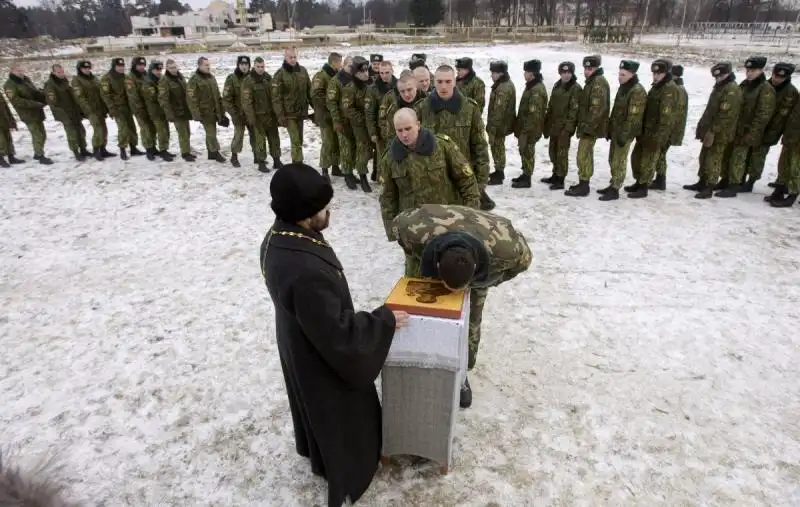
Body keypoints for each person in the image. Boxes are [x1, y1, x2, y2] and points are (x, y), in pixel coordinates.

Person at [260, 163, 408, 507]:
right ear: (304, 214)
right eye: (323, 208)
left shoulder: (278, 236)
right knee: (338, 413)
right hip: (318, 353)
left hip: (299, 337)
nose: (329, 212)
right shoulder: (304, 270)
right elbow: (340, 337)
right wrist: (383, 321)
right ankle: (347, 469)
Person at [390, 203, 532, 408]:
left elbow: (524, 262)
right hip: (431, 238)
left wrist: (489, 280)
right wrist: (418, 262)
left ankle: (461, 375)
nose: (452, 294)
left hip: (485, 252)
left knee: (470, 322)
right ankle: (414, 359)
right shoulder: (413, 229)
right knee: (414, 305)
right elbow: (397, 227)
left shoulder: (506, 247)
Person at [379, 107, 480, 242]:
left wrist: (470, 217)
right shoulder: (390, 159)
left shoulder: (442, 147)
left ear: (418, 125)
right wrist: (393, 231)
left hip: (448, 224)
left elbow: (466, 181)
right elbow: (387, 198)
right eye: (399, 130)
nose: (404, 135)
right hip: (414, 230)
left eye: (408, 129)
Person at [684, 62, 742, 199]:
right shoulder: (720, 87)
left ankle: (710, 186)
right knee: (704, 156)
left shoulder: (731, 90)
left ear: (727, 74)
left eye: (721, 76)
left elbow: (725, 115)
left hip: (720, 132)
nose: (718, 78)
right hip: (710, 130)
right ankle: (702, 181)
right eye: (716, 76)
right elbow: (711, 110)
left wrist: (713, 131)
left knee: (713, 159)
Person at [627, 59, 680, 197]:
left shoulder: (669, 89)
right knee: (637, 157)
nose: (655, 76)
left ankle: (643, 187)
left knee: (648, 160)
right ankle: (639, 182)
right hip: (646, 131)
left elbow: (666, 118)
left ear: (666, 73)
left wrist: (659, 137)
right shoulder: (657, 87)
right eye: (654, 73)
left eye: (659, 73)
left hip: (656, 133)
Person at [597, 59, 646, 201]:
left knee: (619, 160)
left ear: (632, 74)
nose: (620, 77)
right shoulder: (624, 88)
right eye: (619, 74)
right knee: (613, 158)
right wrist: (610, 128)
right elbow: (616, 111)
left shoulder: (636, 91)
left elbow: (633, 117)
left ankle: (615, 189)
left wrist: (624, 135)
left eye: (623, 75)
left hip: (625, 133)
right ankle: (613, 183)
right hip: (617, 131)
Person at [569, 54, 610, 197]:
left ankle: (584, 185)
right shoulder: (592, 81)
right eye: (585, 68)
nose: (587, 71)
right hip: (588, 126)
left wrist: (587, 127)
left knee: (583, 155)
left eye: (590, 68)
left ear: (596, 68)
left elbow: (596, 110)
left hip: (591, 128)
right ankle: (583, 182)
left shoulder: (598, 83)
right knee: (585, 155)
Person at [541, 61, 581, 190]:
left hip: (564, 128)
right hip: (554, 126)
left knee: (562, 154)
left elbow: (574, 111)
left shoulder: (575, 88)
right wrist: (546, 124)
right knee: (553, 152)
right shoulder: (557, 86)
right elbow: (551, 106)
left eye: (569, 72)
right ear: (560, 73)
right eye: (564, 73)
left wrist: (568, 129)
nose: (566, 75)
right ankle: (555, 174)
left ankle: (560, 179)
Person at [4, 62, 52, 164]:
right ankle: (40, 155)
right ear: (12, 71)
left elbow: (34, 92)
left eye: (22, 70)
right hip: (27, 113)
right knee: (37, 134)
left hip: (37, 111)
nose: (21, 72)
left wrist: (44, 97)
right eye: (18, 71)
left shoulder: (26, 80)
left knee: (42, 134)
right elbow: (17, 101)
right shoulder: (9, 85)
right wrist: (35, 104)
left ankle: (37, 153)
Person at [272, 47, 312, 164]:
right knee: (295, 140)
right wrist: (280, 115)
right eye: (290, 57)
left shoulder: (303, 71)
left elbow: (309, 91)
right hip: (288, 114)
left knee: (299, 139)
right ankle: (297, 163)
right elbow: (276, 98)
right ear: (285, 58)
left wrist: (316, 109)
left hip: (301, 112)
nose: (293, 60)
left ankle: (297, 160)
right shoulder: (280, 74)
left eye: (295, 57)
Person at [45, 63, 91, 161]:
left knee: (81, 131)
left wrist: (80, 110)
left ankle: (83, 149)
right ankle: (76, 152)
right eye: (58, 72)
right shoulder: (50, 85)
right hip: (64, 113)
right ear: (53, 73)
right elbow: (53, 103)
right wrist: (62, 116)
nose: (61, 74)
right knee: (72, 134)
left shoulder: (64, 81)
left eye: (62, 71)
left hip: (74, 111)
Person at [187, 56, 229, 163]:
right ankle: (215, 152)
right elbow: (191, 99)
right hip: (204, 112)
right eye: (206, 65)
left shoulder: (211, 78)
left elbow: (217, 95)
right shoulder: (194, 80)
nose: (208, 67)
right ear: (200, 65)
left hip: (214, 111)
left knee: (211, 132)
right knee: (211, 133)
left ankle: (211, 153)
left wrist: (222, 111)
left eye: (209, 65)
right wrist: (196, 114)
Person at [71, 60, 114, 161]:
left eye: (88, 68)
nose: (87, 70)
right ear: (80, 69)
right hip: (91, 110)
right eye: (84, 68)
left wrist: (106, 107)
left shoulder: (94, 78)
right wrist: (88, 110)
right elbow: (80, 97)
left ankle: (103, 149)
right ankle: (96, 150)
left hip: (100, 109)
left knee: (104, 130)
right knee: (98, 129)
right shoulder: (77, 80)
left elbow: (101, 92)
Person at [100, 57, 141, 160]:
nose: (121, 68)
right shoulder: (107, 78)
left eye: (123, 66)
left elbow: (131, 92)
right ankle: (122, 149)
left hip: (128, 107)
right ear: (114, 67)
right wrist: (112, 109)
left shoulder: (126, 77)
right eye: (119, 66)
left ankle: (133, 148)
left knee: (132, 128)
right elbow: (106, 96)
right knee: (123, 129)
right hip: (117, 108)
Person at [312, 52, 343, 179]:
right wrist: (332, 102)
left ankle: (335, 167)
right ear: (334, 62)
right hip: (324, 116)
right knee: (328, 143)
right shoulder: (321, 76)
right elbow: (316, 95)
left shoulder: (337, 76)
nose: (341, 65)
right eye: (340, 62)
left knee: (337, 142)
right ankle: (325, 170)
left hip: (335, 116)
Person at [159, 59, 195, 161]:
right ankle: (185, 153)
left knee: (187, 132)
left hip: (185, 110)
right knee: (183, 133)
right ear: (167, 69)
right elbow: (163, 99)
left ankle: (187, 150)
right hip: (175, 112)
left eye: (175, 67)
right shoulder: (164, 80)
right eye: (171, 68)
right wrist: (169, 114)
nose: (174, 70)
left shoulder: (180, 77)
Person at [222, 55, 254, 168]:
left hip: (251, 114)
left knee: (255, 135)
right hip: (238, 114)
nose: (244, 67)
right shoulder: (232, 79)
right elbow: (226, 99)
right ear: (238, 65)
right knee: (238, 135)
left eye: (246, 65)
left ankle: (257, 155)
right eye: (242, 64)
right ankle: (234, 156)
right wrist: (233, 114)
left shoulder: (253, 77)